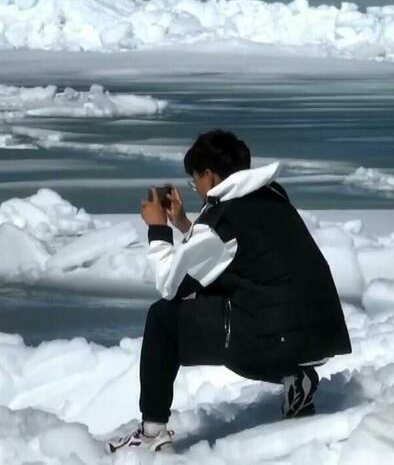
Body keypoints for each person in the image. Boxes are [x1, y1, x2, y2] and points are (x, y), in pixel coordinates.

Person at [108, 130, 351, 453]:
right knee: (222, 299)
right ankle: (294, 377)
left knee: (163, 317)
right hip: (314, 337)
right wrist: (184, 223)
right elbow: (227, 253)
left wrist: (158, 228)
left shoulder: (223, 219)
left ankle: (152, 432)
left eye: (195, 180)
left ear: (209, 175)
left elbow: (172, 285)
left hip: (269, 337)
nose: (196, 188)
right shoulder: (271, 195)